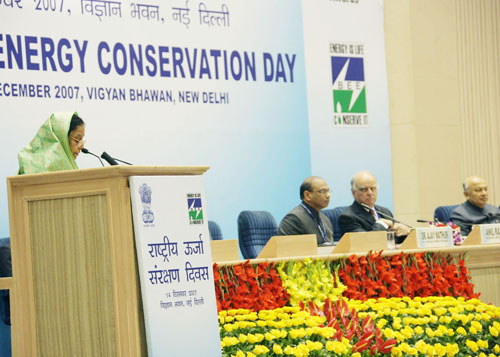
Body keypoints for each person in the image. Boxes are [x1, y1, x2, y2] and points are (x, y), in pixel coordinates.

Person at [338, 171, 409, 243]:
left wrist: (405, 232)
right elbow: (365, 243)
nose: (370, 193)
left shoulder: (385, 211)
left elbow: (397, 240)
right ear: (353, 192)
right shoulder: (347, 217)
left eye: (373, 188)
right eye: (364, 189)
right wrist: (381, 223)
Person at [18, 112, 85, 174]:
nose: (81, 147)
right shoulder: (34, 169)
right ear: (62, 138)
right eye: (77, 140)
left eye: (81, 140)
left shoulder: (68, 167)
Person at [277, 176, 334, 245]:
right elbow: (287, 251)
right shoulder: (293, 219)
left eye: (328, 191)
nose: (328, 195)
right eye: (323, 191)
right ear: (307, 195)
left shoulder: (325, 220)